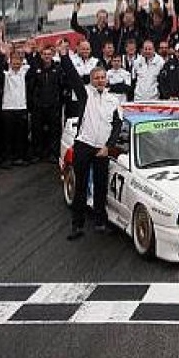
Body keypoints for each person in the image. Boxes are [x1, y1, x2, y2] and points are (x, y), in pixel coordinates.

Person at [59, 47, 122, 240]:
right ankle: (77, 226)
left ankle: (100, 222)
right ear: (91, 80)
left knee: (101, 187)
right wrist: (64, 56)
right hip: (83, 146)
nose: (100, 81)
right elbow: (71, 74)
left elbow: (118, 126)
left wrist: (109, 147)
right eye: (97, 78)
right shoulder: (84, 93)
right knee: (81, 187)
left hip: (102, 149)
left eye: (103, 78)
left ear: (107, 79)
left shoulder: (113, 100)